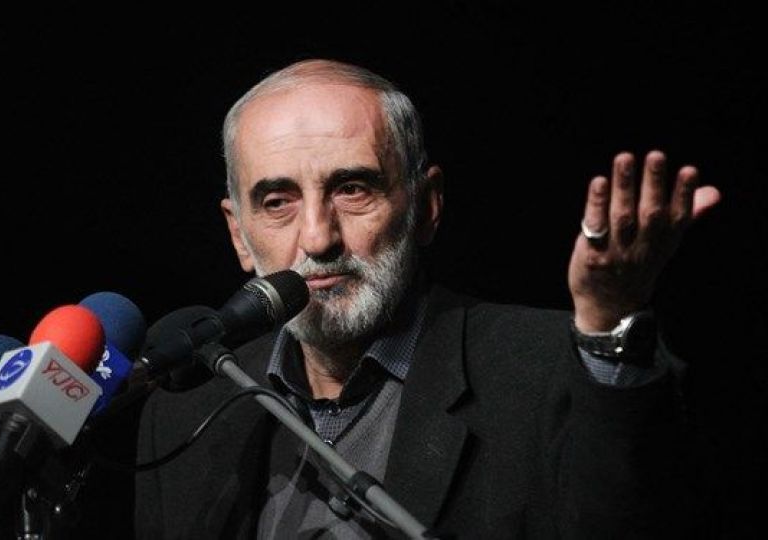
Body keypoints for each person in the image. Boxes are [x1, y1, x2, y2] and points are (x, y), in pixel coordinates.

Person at [129, 59, 721, 538]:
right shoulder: (185, 412)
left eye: (352, 188)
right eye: (277, 202)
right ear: (239, 233)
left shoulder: (546, 371)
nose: (317, 238)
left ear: (426, 206)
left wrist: (609, 326)